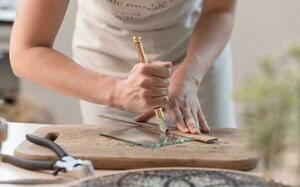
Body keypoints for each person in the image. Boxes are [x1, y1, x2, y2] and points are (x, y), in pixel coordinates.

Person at [10, 0, 236, 134]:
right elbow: (26, 50)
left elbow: (220, 9)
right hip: (104, 62)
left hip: (194, 57)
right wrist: (116, 92)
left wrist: (190, 76)